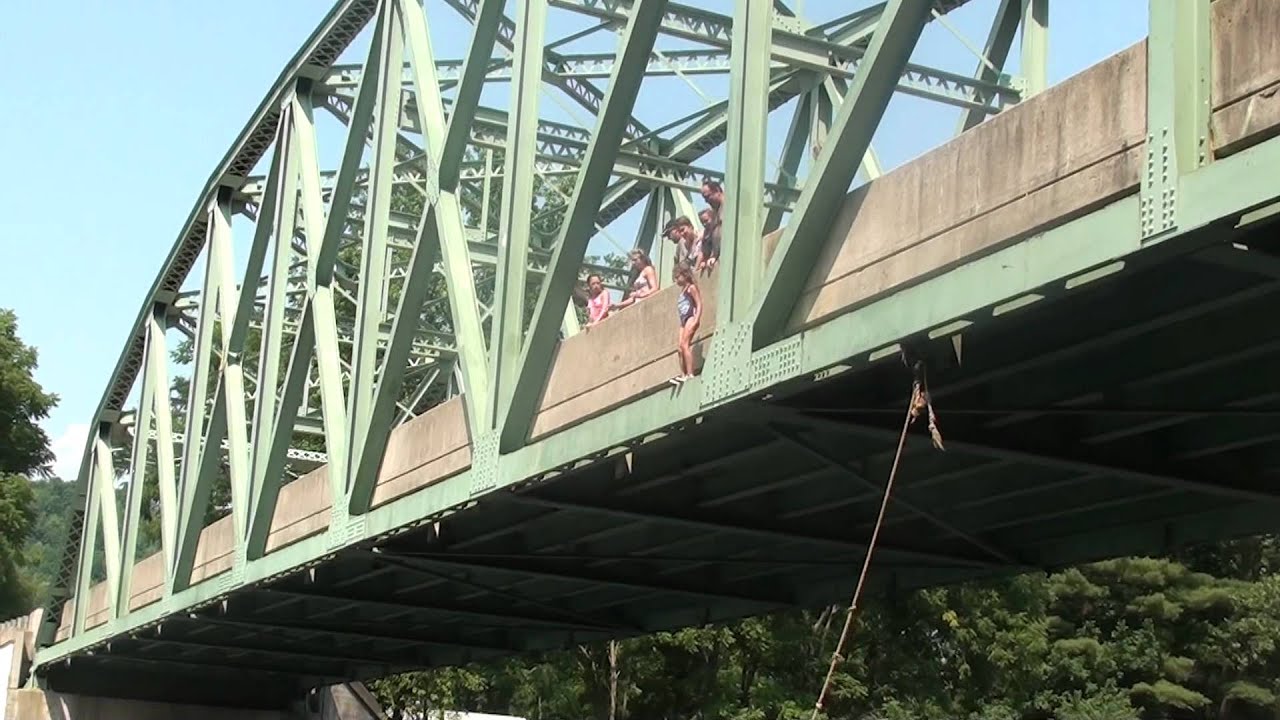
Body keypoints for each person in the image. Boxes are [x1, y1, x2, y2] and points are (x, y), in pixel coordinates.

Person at [671, 262, 702, 384]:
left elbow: (699, 303)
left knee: (685, 345)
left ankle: (690, 373)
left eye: (678, 277)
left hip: (691, 317)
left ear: (685, 275)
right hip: (683, 321)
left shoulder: (691, 288)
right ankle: (682, 374)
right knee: (679, 348)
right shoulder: (682, 291)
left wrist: (696, 319)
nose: (676, 280)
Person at [697, 207, 720, 273]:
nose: (704, 224)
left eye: (706, 220)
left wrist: (714, 257)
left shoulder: (718, 230)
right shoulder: (705, 234)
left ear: (713, 218)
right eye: (702, 223)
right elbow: (703, 251)